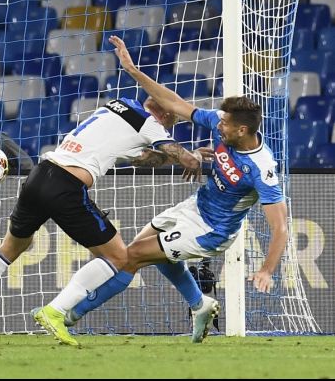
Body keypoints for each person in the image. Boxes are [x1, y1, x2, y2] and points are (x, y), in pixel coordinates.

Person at [62, 36, 289, 344]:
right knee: (145, 254)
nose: (218, 127)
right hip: (194, 207)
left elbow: (281, 229)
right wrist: (133, 71)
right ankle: (200, 304)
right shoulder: (223, 123)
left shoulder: (262, 168)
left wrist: (266, 271)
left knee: (132, 256)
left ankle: (70, 316)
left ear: (243, 130)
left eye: (225, 126)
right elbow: (174, 104)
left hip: (213, 229)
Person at [0, 81, 207, 346]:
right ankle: (55, 312)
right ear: (163, 113)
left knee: (11, 248)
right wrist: (194, 155)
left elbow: (143, 158)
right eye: (171, 121)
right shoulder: (150, 124)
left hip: (40, 174)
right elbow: (185, 159)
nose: (168, 128)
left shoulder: (118, 105)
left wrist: (174, 155)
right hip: (66, 186)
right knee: (119, 257)